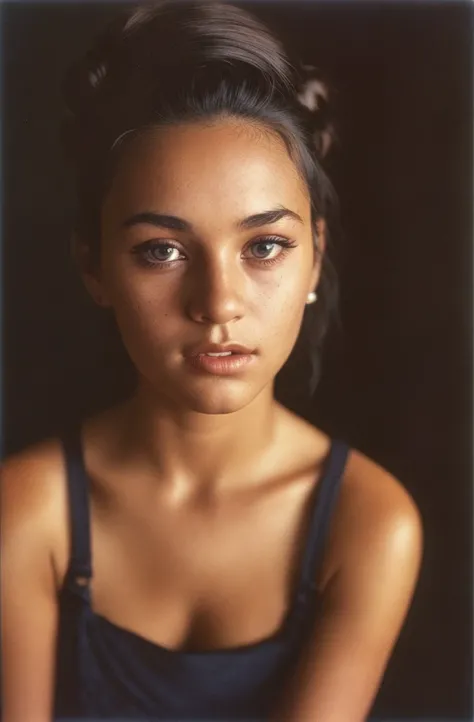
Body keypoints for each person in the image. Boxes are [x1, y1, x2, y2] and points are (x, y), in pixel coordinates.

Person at [1, 2, 423, 720]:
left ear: (316, 255)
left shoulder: (368, 524)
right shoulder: (27, 514)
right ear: (93, 266)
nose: (218, 303)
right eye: (161, 250)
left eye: (264, 247)